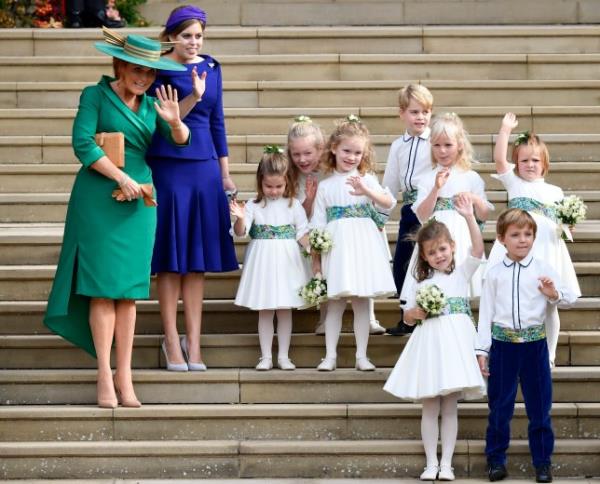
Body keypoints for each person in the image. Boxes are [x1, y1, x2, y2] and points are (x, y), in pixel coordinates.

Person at [44, 31, 190, 408]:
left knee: (128, 293)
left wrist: (174, 122)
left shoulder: (150, 105)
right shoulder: (94, 95)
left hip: (139, 204)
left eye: (150, 73)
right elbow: (82, 143)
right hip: (99, 198)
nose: (143, 78)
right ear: (120, 65)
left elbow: (181, 140)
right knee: (102, 288)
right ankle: (104, 377)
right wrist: (121, 177)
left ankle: (125, 377)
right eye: (137, 70)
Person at [146, 5, 239, 372]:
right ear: (172, 36)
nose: (194, 42)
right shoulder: (157, 69)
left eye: (199, 35)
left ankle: (194, 343)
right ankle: (171, 341)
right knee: (170, 261)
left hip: (204, 168)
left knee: (196, 264)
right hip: (168, 165)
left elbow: (218, 122)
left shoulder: (213, 68)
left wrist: (225, 174)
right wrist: (194, 96)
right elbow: (165, 121)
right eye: (187, 36)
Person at [383, 195, 487, 481]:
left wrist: (468, 217)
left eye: (443, 249)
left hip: (456, 341)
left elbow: (478, 250)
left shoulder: (461, 274)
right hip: (429, 342)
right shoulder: (420, 281)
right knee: (430, 405)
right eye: (432, 252)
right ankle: (431, 462)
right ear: (424, 256)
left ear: (452, 247)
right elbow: (406, 316)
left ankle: (447, 464)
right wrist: (414, 313)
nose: (439, 255)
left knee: (450, 405)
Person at [476, 209, 578, 483]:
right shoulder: (494, 273)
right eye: (515, 235)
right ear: (501, 239)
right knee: (500, 408)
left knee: (539, 407)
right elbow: (485, 314)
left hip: (534, 347)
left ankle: (542, 462)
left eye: (528, 235)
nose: (523, 240)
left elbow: (570, 297)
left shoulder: (543, 268)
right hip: (503, 347)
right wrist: (482, 351)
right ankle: (496, 460)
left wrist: (553, 293)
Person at [485, 113, 581, 366]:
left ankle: (548, 354)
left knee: (549, 304)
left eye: (535, 160)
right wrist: (505, 130)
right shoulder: (513, 182)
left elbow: (563, 223)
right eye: (524, 160)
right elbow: (498, 160)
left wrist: (569, 222)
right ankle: (501, 347)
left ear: (544, 163)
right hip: (518, 250)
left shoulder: (555, 192)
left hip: (546, 250)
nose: (530, 164)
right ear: (517, 164)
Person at [310, 115, 396, 372]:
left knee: (361, 301)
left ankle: (362, 355)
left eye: (358, 153)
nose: (352, 157)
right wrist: (317, 256)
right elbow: (317, 221)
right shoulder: (326, 186)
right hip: (338, 248)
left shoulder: (366, 179)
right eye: (347, 151)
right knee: (335, 303)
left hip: (364, 246)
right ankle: (330, 356)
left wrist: (366, 191)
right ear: (334, 148)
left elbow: (388, 203)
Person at [287, 116, 385, 335]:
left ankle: (368, 315)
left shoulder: (335, 167)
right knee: (315, 246)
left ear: (322, 149)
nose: (302, 160)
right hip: (313, 227)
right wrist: (310, 200)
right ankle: (324, 315)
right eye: (296, 155)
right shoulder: (292, 177)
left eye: (308, 153)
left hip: (344, 225)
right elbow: (298, 216)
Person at [230, 146, 311, 371]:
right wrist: (239, 218)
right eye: (268, 186)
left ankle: (284, 356)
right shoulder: (254, 205)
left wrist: (314, 248)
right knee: (265, 309)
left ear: (287, 183)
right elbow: (241, 232)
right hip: (263, 259)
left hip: (287, 260)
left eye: (279, 186)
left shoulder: (293, 205)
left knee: (285, 309)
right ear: (260, 182)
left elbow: (302, 232)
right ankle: (265, 356)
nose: (274, 191)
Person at [399, 112, 493, 305]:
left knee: (460, 283)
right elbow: (422, 216)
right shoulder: (426, 178)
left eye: (448, 145)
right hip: (435, 234)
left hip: (462, 234)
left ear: (459, 145)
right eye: (437, 145)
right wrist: (436, 188)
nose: (442, 151)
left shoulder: (471, 177)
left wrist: (474, 198)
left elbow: (484, 214)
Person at [382, 84, 435, 336]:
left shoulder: (436, 141)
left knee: (429, 261)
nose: (421, 117)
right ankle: (407, 316)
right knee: (402, 262)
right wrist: (380, 215)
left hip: (432, 207)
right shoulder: (397, 146)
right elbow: (390, 184)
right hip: (409, 210)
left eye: (426, 112)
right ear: (401, 113)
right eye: (414, 112)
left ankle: (431, 313)